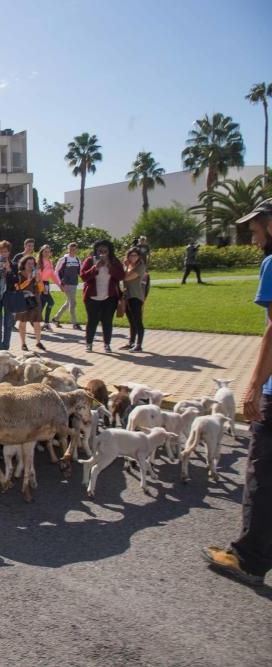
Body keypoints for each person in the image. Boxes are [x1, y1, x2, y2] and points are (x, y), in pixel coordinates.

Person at [201, 198, 272, 587]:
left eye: (256, 225)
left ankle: (247, 558)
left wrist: (255, 386)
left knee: (261, 474)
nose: (252, 232)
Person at [80, 240, 124, 353]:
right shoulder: (90, 260)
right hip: (92, 297)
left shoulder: (114, 261)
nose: (103, 254)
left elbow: (121, 275)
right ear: (96, 251)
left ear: (109, 251)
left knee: (107, 321)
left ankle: (107, 344)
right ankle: (89, 343)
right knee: (92, 321)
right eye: (100, 251)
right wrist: (95, 268)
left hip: (109, 297)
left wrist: (109, 266)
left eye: (105, 251)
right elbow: (83, 277)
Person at [14, 256, 46, 352]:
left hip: (34, 300)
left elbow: (41, 289)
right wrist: (28, 280)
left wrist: (38, 280)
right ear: (24, 264)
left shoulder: (36, 274)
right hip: (22, 300)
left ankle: (38, 342)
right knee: (22, 322)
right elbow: (17, 288)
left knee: (36, 322)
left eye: (32, 264)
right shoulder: (19, 274)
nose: (31, 265)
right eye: (29, 263)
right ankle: (23, 344)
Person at [120, 248, 147, 352]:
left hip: (136, 296)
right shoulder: (128, 266)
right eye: (131, 255)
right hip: (127, 296)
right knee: (131, 321)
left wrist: (126, 266)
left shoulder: (140, 267)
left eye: (135, 255)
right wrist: (126, 266)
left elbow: (126, 278)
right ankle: (131, 342)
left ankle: (139, 344)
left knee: (138, 321)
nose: (133, 257)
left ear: (139, 256)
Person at [52, 242, 83, 330]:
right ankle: (75, 323)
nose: (73, 251)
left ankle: (55, 319)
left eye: (74, 249)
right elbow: (56, 272)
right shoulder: (63, 259)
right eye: (71, 249)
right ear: (68, 249)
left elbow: (80, 272)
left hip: (74, 284)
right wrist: (60, 284)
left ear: (76, 250)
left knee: (69, 302)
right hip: (66, 284)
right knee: (73, 303)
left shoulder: (77, 260)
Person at [36, 245, 62, 331]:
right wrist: (41, 288)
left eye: (48, 251)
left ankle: (37, 322)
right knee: (51, 302)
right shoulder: (39, 262)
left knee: (42, 305)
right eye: (45, 251)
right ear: (42, 252)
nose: (47, 253)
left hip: (46, 284)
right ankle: (46, 323)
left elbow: (53, 275)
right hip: (41, 285)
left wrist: (59, 285)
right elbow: (38, 275)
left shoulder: (50, 262)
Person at [137, 235, 152, 299]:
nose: (142, 241)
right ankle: (138, 283)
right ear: (140, 240)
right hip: (138, 262)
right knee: (139, 272)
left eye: (143, 240)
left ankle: (145, 283)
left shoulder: (146, 246)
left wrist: (149, 260)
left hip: (145, 262)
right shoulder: (137, 246)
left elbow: (148, 254)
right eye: (141, 240)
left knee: (145, 273)